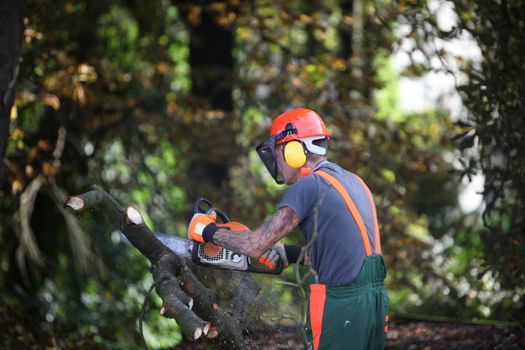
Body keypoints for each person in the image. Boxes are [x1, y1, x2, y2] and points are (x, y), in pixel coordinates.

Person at [188, 108, 389, 350]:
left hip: (341, 303)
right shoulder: (353, 181)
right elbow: (342, 251)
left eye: (278, 152)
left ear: (294, 150)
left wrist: (208, 232)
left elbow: (255, 245)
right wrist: (290, 254)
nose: (276, 162)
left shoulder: (309, 186)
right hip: (375, 301)